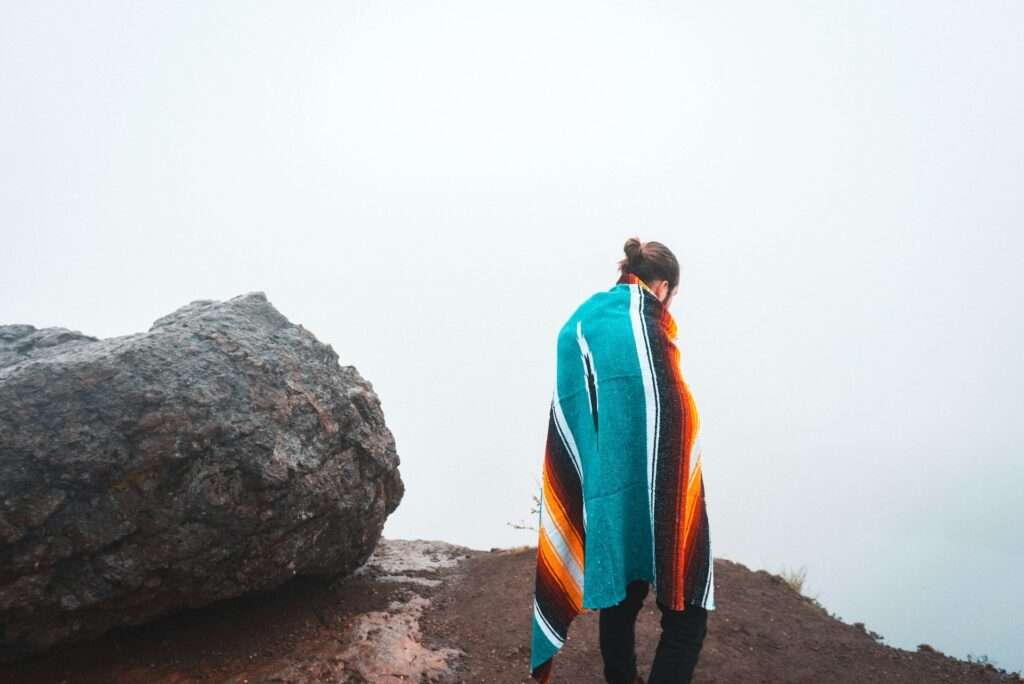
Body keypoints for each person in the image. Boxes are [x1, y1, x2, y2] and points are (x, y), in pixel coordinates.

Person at [529, 237, 715, 684]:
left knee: (621, 596)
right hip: (665, 488)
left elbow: (574, 380)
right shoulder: (650, 322)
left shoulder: (585, 320)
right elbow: (668, 405)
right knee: (688, 615)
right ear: (665, 285)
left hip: (610, 490)